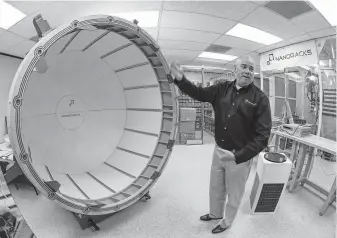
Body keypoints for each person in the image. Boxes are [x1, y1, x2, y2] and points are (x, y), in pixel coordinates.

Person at [170, 56, 272, 234]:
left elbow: (263, 137)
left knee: (234, 193)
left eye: (251, 68)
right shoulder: (221, 89)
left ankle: (227, 221)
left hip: (239, 156)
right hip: (218, 150)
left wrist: (238, 156)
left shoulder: (260, 99)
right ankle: (215, 213)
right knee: (216, 186)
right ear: (235, 70)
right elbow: (199, 93)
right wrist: (181, 80)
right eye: (244, 67)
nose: (247, 71)